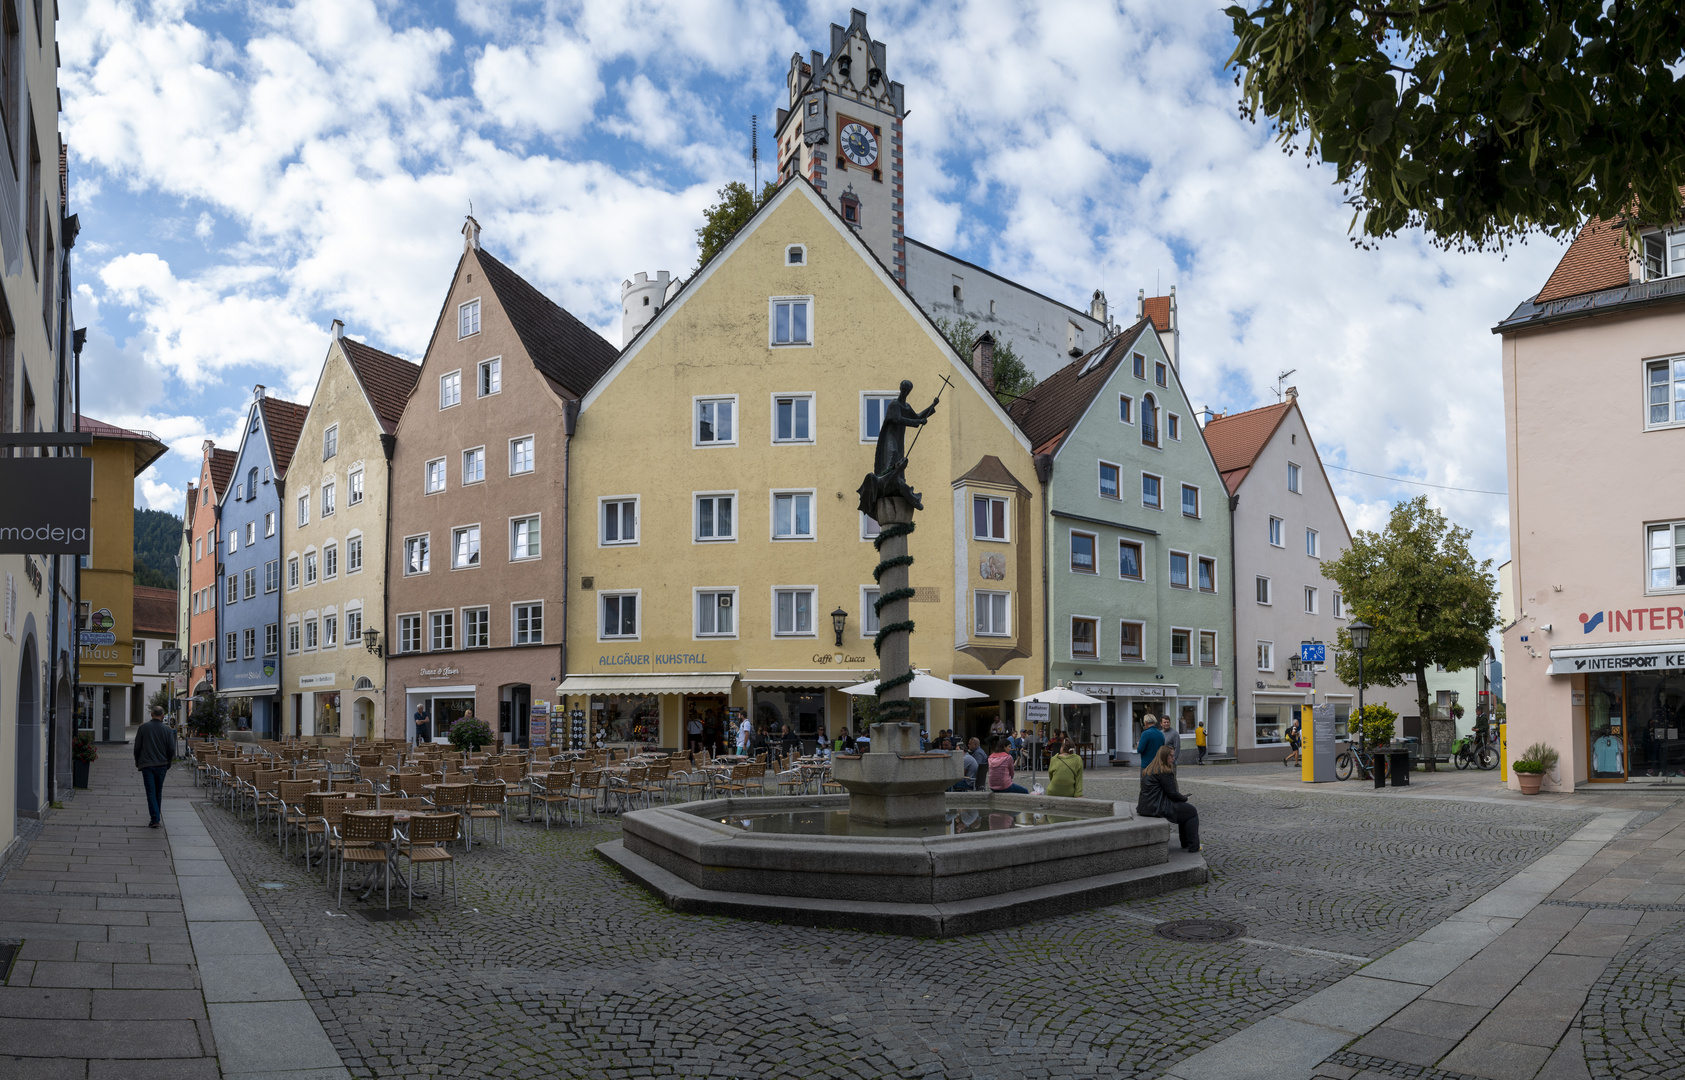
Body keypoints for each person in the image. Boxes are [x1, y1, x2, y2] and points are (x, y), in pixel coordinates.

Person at [1137, 744, 1200, 853]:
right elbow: (1173, 794)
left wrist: (1179, 797)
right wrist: (1183, 798)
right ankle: (1193, 846)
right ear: (1164, 757)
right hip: (1157, 807)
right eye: (1171, 756)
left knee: (1185, 811)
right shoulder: (1164, 771)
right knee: (1192, 812)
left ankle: (1186, 843)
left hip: (1146, 806)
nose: (1173, 758)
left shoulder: (1150, 769)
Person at [134, 705, 177, 829]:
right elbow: (171, 748)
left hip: (147, 764)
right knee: (158, 791)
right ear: (162, 716)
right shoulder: (167, 730)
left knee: (151, 791)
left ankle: (155, 818)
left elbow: (137, 747)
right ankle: (156, 817)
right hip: (162, 764)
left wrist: (137, 760)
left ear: (152, 714)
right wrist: (168, 761)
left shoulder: (143, 728)